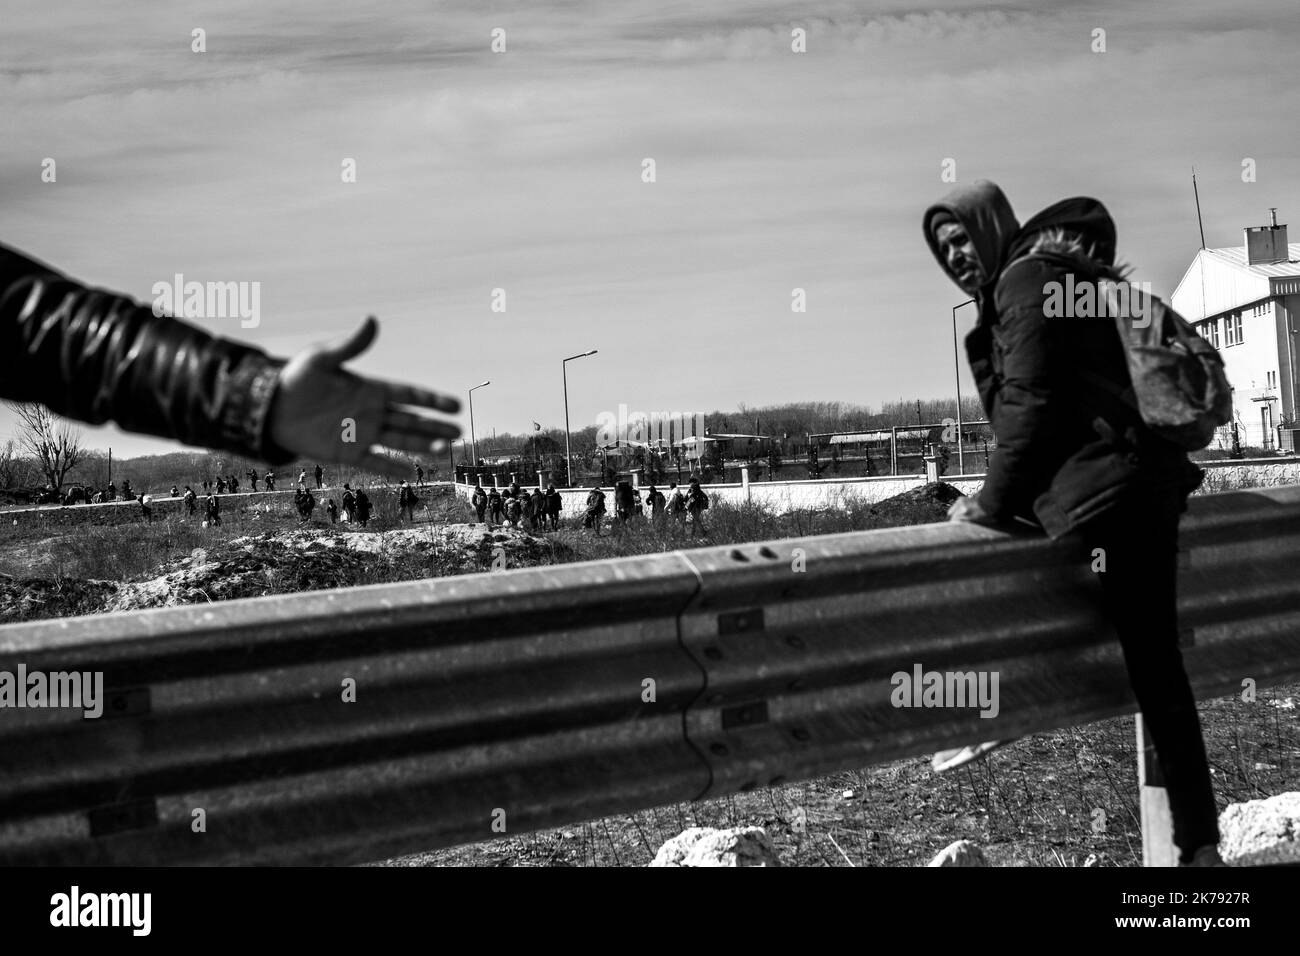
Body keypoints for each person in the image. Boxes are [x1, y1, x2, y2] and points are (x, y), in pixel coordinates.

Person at [923, 181, 1222, 867]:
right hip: (1132, 484)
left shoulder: (1026, 281)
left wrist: (989, 503)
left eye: (963, 237)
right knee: (1157, 669)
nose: (958, 256)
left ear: (994, 225)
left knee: (1150, 663)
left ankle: (990, 704)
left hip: (1112, 493)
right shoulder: (1052, 275)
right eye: (945, 251)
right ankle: (1200, 849)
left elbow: (1032, 402)